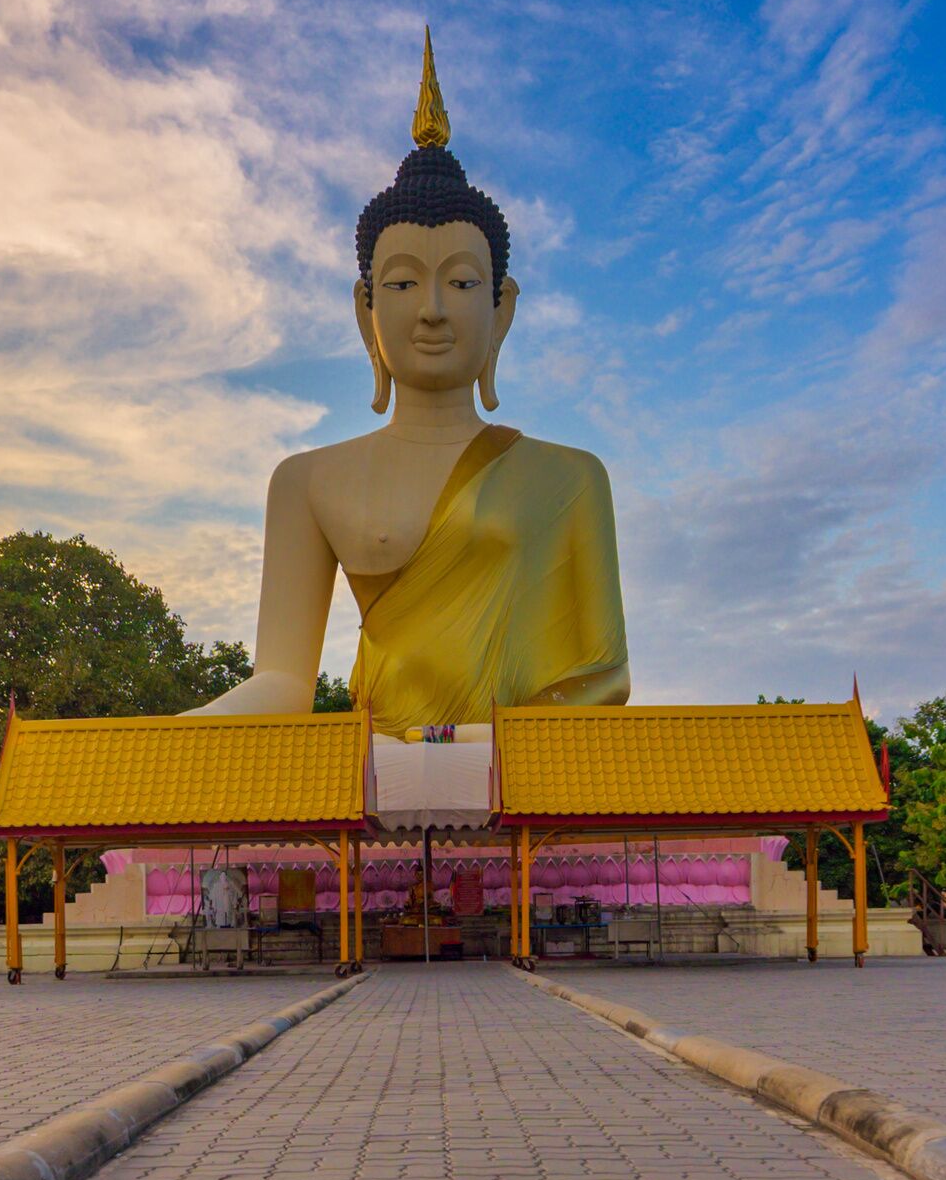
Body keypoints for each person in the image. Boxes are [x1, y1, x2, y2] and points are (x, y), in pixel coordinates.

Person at [193, 36, 629, 723]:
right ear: (366, 311)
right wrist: (151, 746)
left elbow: (602, 681)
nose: (430, 309)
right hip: (376, 784)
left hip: (520, 790)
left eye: (460, 281)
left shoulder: (572, 480)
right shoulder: (307, 483)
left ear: (500, 307)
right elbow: (281, 684)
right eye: (401, 282)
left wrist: (471, 759)